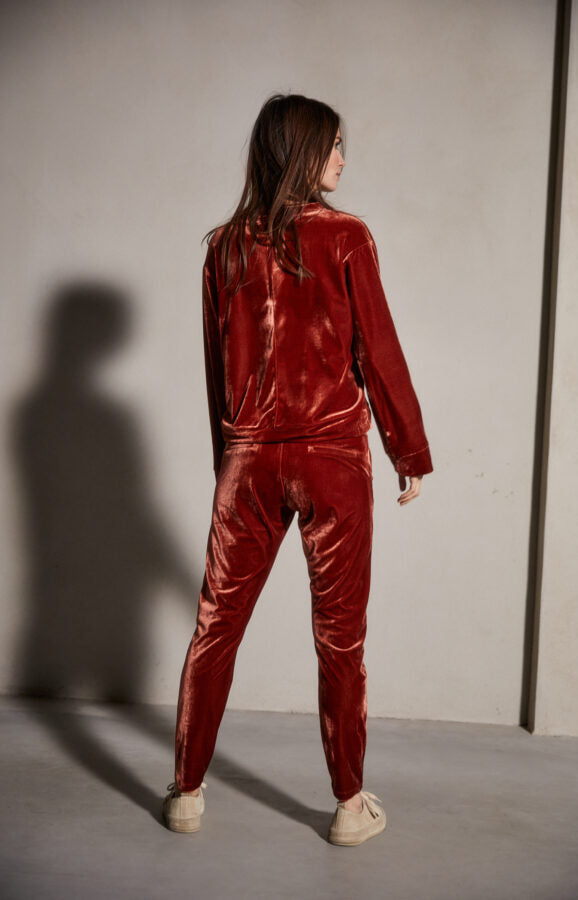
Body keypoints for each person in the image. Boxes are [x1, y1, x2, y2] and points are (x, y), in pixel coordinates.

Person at [162, 92, 433, 846]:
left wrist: (228, 464)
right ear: (304, 152)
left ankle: (186, 793)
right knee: (340, 637)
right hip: (332, 460)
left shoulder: (223, 247)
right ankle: (348, 806)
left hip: (248, 460)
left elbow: (218, 372)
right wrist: (409, 451)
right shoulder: (347, 236)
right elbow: (377, 349)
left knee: (215, 627)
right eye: (335, 144)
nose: (344, 158)